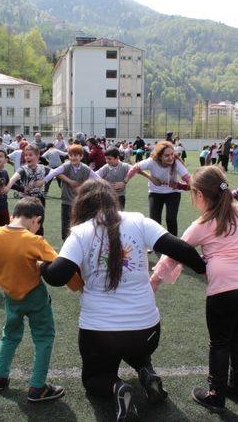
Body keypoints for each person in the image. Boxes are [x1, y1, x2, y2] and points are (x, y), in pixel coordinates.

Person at [41, 180, 205, 420]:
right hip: (147, 332)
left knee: (95, 381)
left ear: (82, 205)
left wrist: (42, 266)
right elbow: (181, 249)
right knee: (135, 349)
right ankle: (146, 372)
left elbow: (56, 276)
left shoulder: (81, 232)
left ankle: (118, 387)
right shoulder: (139, 221)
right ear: (112, 200)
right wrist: (204, 268)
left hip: (100, 333)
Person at [151, 166, 238, 413]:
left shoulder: (202, 224)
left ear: (199, 195)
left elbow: (174, 253)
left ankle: (216, 395)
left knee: (220, 342)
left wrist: (153, 281)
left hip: (227, 289)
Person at [0, 197, 83, 402]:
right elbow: (60, 268)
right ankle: (38, 387)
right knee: (44, 338)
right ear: (36, 220)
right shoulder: (35, 241)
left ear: (13, 216)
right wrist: (79, 287)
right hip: (35, 296)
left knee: (9, 335)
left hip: (10, 296)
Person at [125, 141, 191, 237]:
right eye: (167, 155)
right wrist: (124, 182)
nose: (171, 157)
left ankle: (173, 244)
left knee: (171, 219)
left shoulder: (176, 163)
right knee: (154, 220)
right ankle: (155, 243)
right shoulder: (152, 161)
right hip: (155, 192)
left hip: (173, 193)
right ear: (159, 157)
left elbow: (190, 181)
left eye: (172, 154)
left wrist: (179, 186)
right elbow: (135, 168)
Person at [40, 144, 100, 240]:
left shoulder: (85, 168)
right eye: (71, 155)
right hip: (66, 201)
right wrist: (43, 181)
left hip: (80, 201)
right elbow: (54, 172)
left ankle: (79, 240)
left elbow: (98, 179)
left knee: (79, 222)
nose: (73, 158)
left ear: (81, 156)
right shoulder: (66, 166)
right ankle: (66, 241)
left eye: (76, 155)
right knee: (66, 224)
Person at [1, 144, 51, 236]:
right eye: (26, 155)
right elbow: (13, 178)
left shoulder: (43, 168)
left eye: (30, 155)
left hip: (39, 201)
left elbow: (56, 173)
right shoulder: (23, 169)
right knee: (23, 224)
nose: (27, 157)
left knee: (38, 224)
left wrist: (44, 181)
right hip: (25, 201)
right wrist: (8, 187)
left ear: (37, 156)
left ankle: (38, 244)